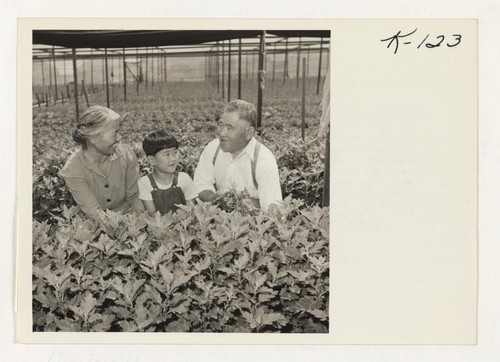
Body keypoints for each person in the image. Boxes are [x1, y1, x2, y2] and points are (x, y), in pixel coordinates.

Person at [194, 99, 282, 211]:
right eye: (221, 125)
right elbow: (201, 184)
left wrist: (243, 205)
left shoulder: (263, 159)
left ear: (249, 133)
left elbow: (272, 207)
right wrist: (220, 201)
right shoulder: (213, 148)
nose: (222, 133)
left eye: (230, 128)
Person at [60, 105, 144, 220]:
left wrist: (138, 221)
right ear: (93, 138)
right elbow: (95, 213)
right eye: (115, 133)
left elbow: (134, 196)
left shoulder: (126, 154)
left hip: (128, 217)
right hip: (95, 224)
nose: (119, 138)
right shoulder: (73, 169)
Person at [139, 130, 197, 215]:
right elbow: (152, 215)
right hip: (158, 226)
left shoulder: (184, 179)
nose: (173, 158)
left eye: (175, 152)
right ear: (152, 160)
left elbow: (191, 210)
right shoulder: (145, 183)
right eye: (167, 154)